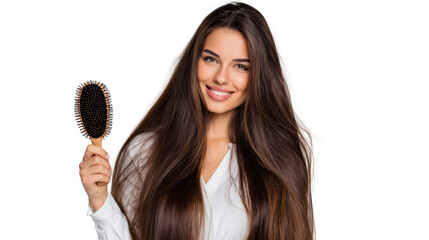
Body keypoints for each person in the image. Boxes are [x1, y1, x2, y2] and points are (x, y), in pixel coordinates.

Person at [79, 2, 314, 240]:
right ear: (194, 61)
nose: (221, 77)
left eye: (240, 66)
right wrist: (100, 200)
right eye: (211, 59)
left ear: (259, 76)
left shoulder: (278, 160)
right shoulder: (146, 151)